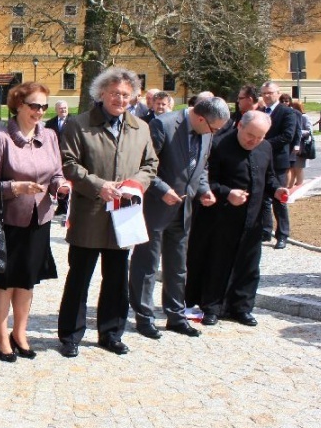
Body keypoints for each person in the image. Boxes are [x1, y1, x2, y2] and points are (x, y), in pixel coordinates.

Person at [57, 67, 158, 358]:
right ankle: (70, 335)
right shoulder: (80, 124)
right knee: (79, 277)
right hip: (90, 212)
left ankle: (111, 333)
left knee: (116, 279)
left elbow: (150, 165)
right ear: (101, 93)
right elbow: (69, 164)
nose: (120, 99)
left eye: (126, 95)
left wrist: (133, 185)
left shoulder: (141, 127)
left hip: (123, 215)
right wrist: (98, 185)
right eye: (115, 93)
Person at [127, 97, 230, 341]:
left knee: (178, 266)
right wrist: (162, 190)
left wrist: (204, 190)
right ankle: (144, 317)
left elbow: (201, 167)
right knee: (147, 264)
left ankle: (175, 315)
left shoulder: (206, 132)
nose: (214, 133)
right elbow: (144, 166)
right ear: (201, 118)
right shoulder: (163, 125)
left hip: (184, 208)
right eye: (214, 129)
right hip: (155, 207)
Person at [0, 82, 68, 361]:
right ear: (18, 105)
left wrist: (60, 186)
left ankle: (21, 332)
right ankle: (2, 334)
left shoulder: (51, 136)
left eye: (44, 106)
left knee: (27, 281)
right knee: (6, 281)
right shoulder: (2, 138)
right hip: (8, 222)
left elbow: (55, 173)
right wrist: (15, 188)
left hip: (39, 219)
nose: (40, 111)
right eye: (34, 106)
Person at [185, 111, 286, 326]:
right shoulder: (218, 145)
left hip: (252, 218)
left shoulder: (265, 148)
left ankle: (242, 307)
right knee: (217, 263)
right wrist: (227, 193)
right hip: (219, 218)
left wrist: (277, 191)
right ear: (240, 125)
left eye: (260, 137)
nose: (254, 141)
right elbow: (205, 181)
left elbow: (269, 178)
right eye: (251, 135)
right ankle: (211, 307)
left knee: (248, 265)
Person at [258, 81, 295, 249]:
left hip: (278, 161)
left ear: (278, 93)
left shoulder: (287, 112)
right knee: (263, 198)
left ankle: (282, 235)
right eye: (264, 93)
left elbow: (287, 136)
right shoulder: (259, 112)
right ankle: (266, 231)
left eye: (270, 93)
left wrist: (263, 144)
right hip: (261, 160)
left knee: (279, 199)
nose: (267, 96)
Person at [46, 100, 71, 216]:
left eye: (65, 108)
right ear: (56, 110)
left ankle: (67, 206)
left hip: (69, 156)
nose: (63, 110)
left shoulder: (74, 121)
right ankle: (61, 206)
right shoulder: (50, 123)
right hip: (54, 157)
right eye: (61, 108)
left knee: (67, 181)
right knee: (58, 180)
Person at [288, 100, 312, 187]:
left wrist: (297, 132)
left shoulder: (304, 117)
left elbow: (309, 131)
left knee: (298, 168)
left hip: (301, 146)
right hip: (293, 146)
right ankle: (291, 185)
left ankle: (299, 185)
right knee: (292, 168)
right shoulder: (292, 116)